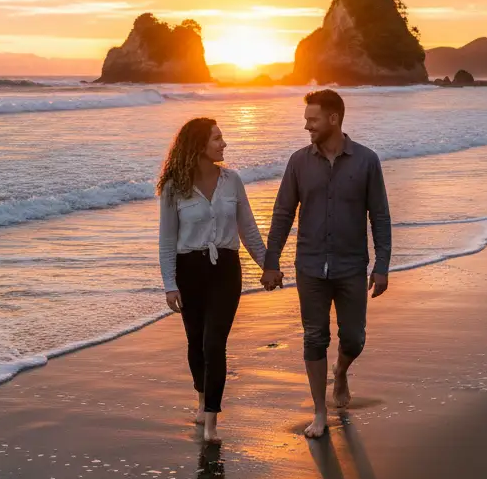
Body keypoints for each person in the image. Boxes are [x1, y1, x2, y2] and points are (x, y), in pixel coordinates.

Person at [261, 89, 391, 438]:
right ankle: (319, 412)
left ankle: (342, 369)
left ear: (333, 119)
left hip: (351, 266)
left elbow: (379, 216)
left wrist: (382, 265)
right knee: (314, 337)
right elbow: (283, 213)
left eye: (312, 120)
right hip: (311, 266)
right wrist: (271, 261)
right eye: (306, 120)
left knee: (354, 338)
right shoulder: (298, 162)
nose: (307, 127)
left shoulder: (367, 161)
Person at [158, 117, 271, 442]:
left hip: (225, 269)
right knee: (196, 342)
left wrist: (267, 266)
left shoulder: (232, 180)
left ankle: (211, 421)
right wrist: (170, 284)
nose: (224, 144)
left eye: (222, 138)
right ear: (199, 146)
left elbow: (247, 228)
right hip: (188, 270)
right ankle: (201, 396)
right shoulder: (173, 188)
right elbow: (167, 240)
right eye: (217, 139)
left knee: (213, 342)